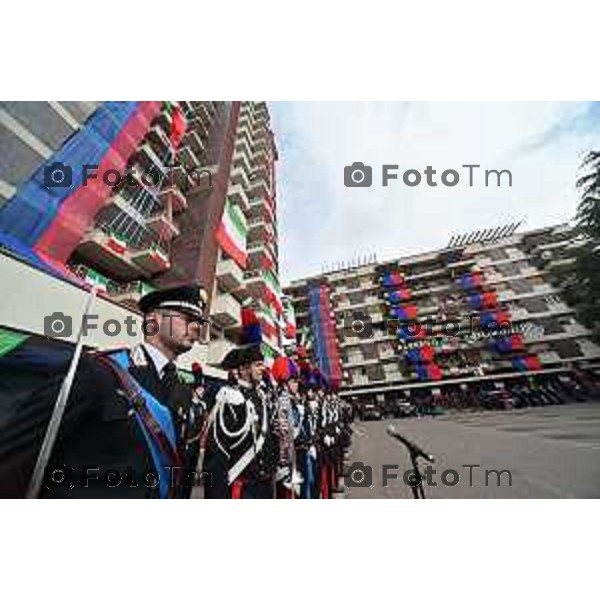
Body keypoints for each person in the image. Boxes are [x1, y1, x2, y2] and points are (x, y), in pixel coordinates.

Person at [37, 284, 209, 499]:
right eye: (186, 318)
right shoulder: (99, 371)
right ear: (153, 320)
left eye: (200, 322)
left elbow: (179, 468)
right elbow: (31, 451)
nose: (196, 327)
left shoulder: (184, 391)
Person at [202, 343, 277, 499]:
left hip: (265, 485)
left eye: (262, 364)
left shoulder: (262, 398)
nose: (262, 369)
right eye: (258, 365)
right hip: (242, 489)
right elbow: (217, 454)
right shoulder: (231, 399)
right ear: (243, 369)